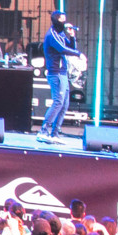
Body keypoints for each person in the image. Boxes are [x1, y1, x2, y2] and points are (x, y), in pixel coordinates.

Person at [39, 13, 81, 141]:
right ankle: (43, 131)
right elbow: (62, 49)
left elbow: (70, 47)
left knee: (64, 104)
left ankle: (55, 133)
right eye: (61, 20)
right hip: (56, 73)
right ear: (56, 20)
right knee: (58, 102)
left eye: (64, 20)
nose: (64, 22)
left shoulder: (61, 34)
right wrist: (78, 54)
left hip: (63, 73)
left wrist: (72, 36)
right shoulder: (51, 35)